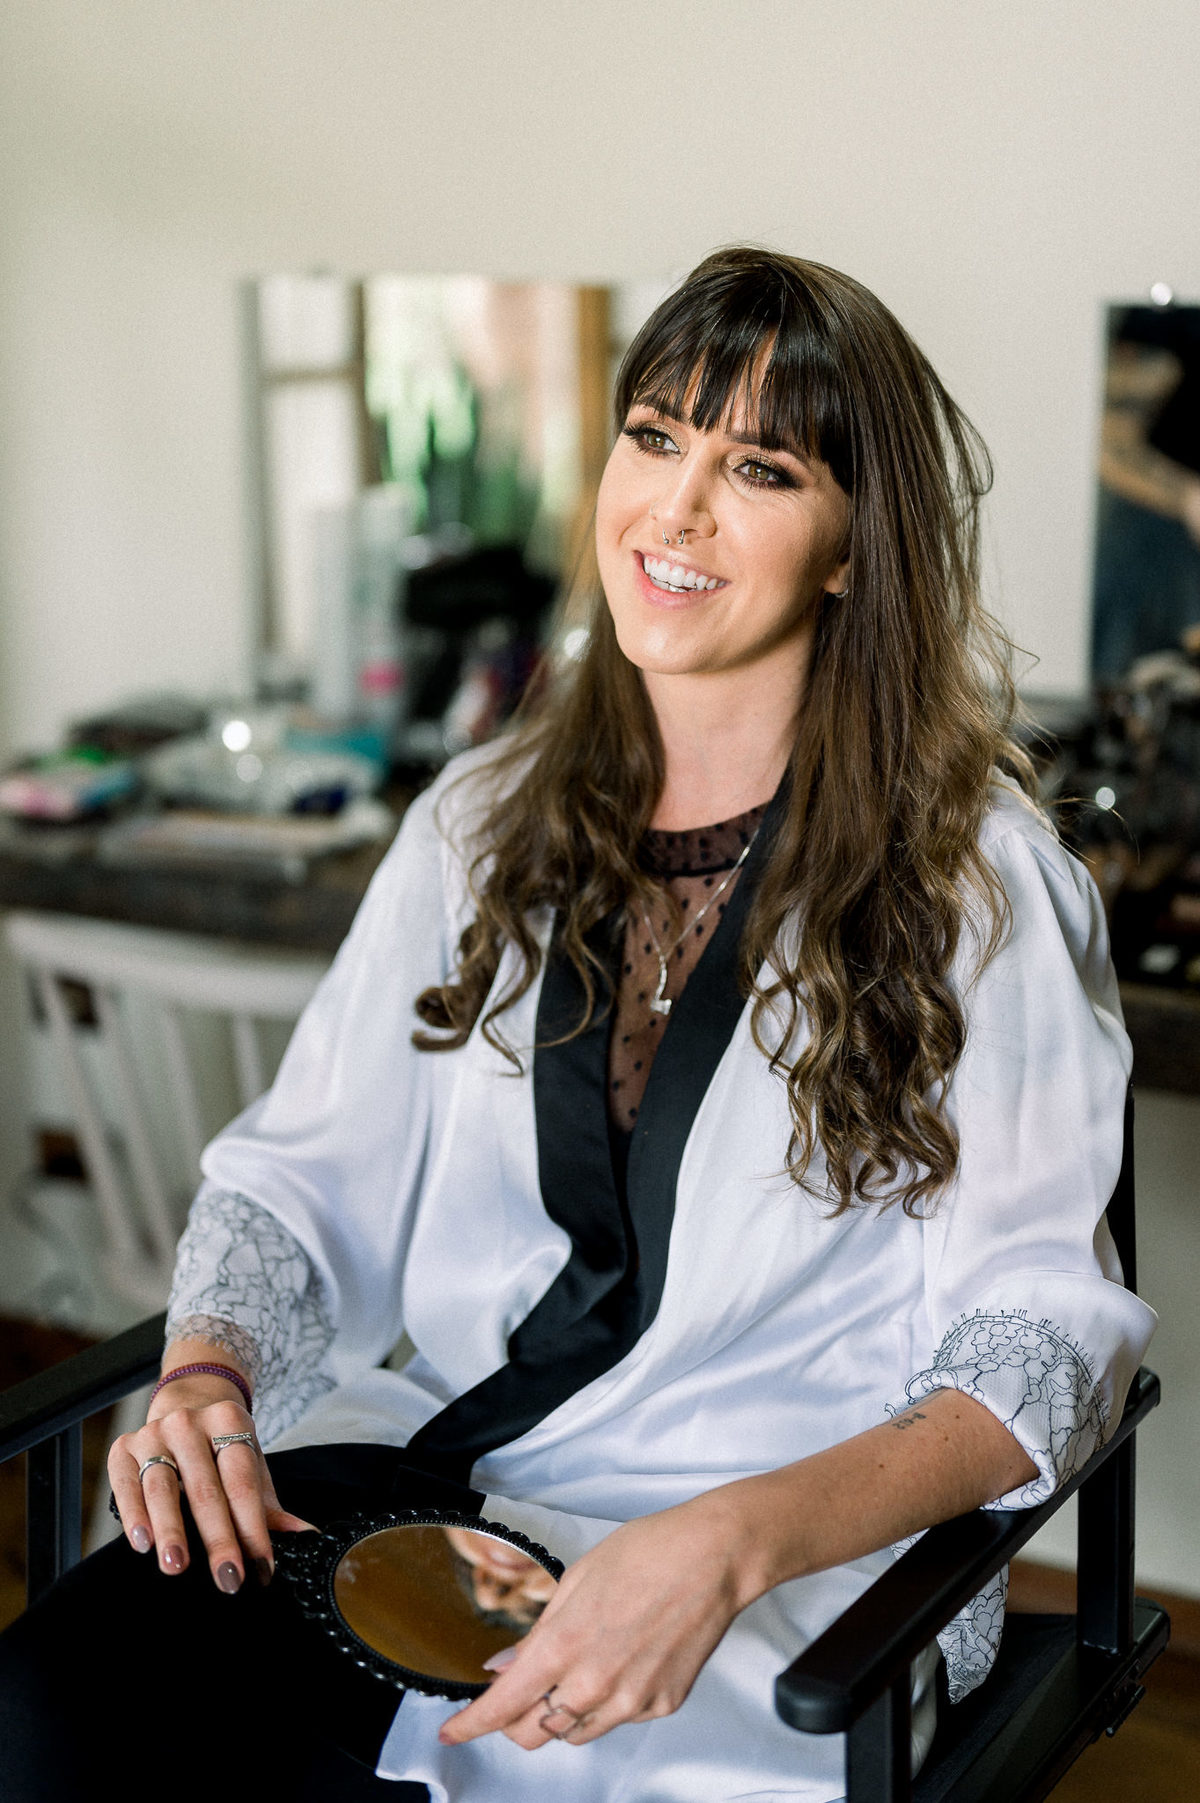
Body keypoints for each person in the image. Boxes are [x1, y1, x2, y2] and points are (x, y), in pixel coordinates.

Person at [0, 248, 1156, 1803]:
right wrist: (208, 1372)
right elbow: (303, 1182)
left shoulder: (976, 890)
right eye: (655, 436)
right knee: (57, 1713)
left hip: (786, 1570)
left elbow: (1044, 1338)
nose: (677, 508)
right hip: (430, 1484)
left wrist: (729, 1542)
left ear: (849, 549)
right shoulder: (482, 821)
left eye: (760, 468)